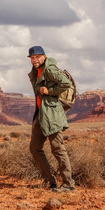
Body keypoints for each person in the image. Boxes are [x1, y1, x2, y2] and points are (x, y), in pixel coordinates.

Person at [27, 45, 75, 192]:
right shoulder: (36, 71)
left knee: (58, 149)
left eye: (37, 57)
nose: (35, 60)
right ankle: (50, 181)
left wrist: (50, 91)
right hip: (41, 115)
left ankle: (68, 184)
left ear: (44, 57)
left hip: (52, 115)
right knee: (35, 148)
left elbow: (65, 84)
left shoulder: (49, 69)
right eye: (32, 58)